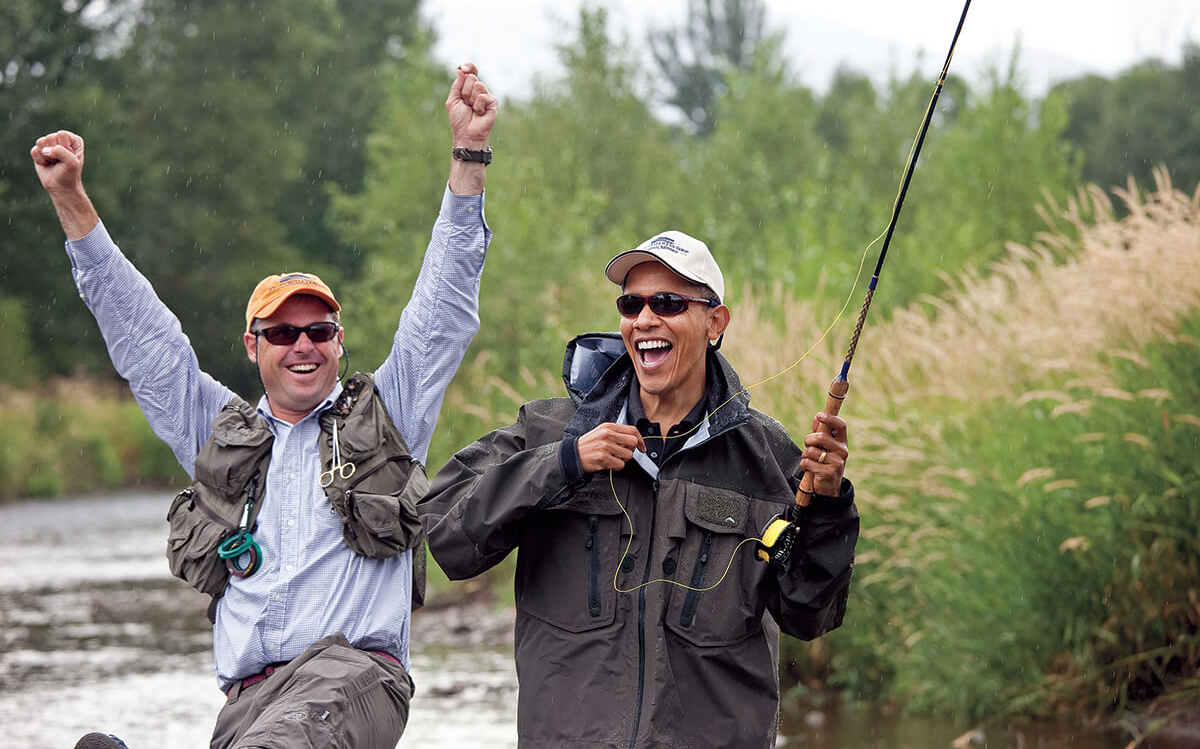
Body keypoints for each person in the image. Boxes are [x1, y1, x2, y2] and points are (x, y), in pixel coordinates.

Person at [32, 63, 498, 749]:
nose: (302, 345)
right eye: (282, 333)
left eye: (318, 331)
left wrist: (469, 158)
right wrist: (71, 199)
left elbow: (443, 307)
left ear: (339, 342)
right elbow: (143, 340)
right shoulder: (217, 433)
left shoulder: (389, 415)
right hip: (248, 701)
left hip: (355, 680)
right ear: (253, 347)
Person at [419, 229, 860, 747]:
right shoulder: (548, 432)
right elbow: (446, 534)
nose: (645, 319)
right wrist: (563, 463)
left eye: (668, 303)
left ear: (715, 322)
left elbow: (809, 616)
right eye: (631, 304)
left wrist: (828, 505)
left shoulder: (769, 458)